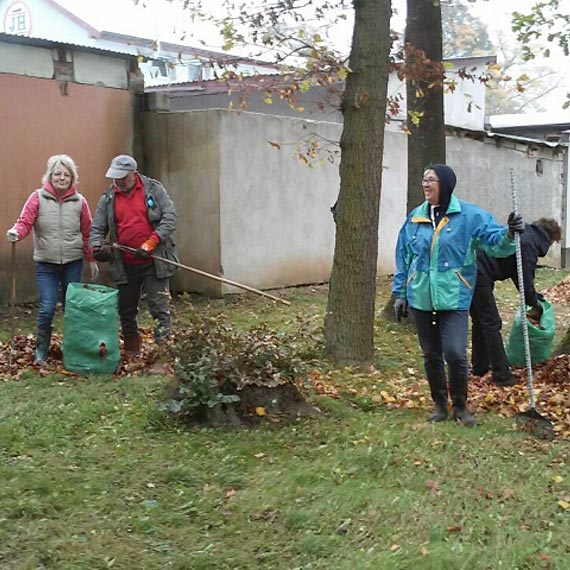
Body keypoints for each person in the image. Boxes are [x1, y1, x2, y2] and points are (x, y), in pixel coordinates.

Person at [392, 164, 524, 427]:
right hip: (421, 297)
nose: (426, 185)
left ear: (446, 185)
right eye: (423, 179)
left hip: (454, 297)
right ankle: (440, 405)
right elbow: (404, 256)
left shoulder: (469, 216)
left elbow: (494, 243)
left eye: (431, 180)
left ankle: (461, 406)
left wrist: (510, 233)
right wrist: (400, 293)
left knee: (455, 353)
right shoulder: (415, 217)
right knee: (431, 354)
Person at [6, 154, 98, 365]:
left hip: (73, 262)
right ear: (50, 176)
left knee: (71, 308)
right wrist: (16, 233)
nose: (61, 178)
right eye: (57, 174)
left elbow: (88, 231)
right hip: (46, 263)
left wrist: (91, 258)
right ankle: (41, 351)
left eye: (66, 174)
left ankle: (73, 349)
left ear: (72, 178)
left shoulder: (79, 201)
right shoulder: (37, 197)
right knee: (47, 308)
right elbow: (25, 222)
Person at [89, 154, 177, 374]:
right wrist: (97, 247)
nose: (118, 181)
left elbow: (170, 217)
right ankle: (132, 353)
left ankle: (163, 356)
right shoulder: (108, 198)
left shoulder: (153, 190)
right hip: (124, 263)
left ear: (134, 173)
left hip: (154, 261)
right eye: (115, 177)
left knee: (159, 307)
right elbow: (97, 228)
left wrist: (151, 242)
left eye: (123, 177)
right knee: (126, 309)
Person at [470, 217, 561, 386]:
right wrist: (534, 302)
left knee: (481, 320)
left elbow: (516, 271)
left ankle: (480, 367)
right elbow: (525, 278)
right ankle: (502, 375)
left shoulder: (526, 235)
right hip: (478, 270)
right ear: (549, 238)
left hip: (474, 266)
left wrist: (533, 296)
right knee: (492, 322)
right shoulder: (529, 245)